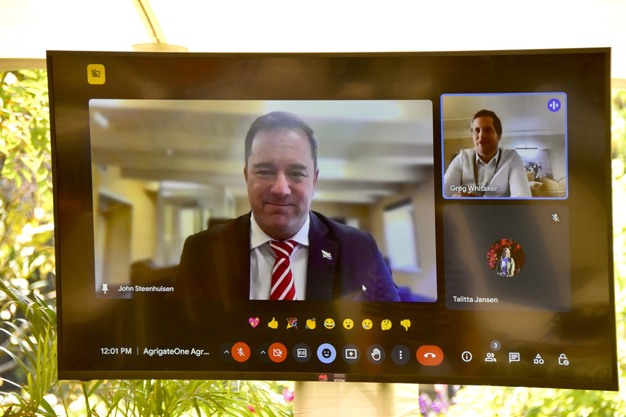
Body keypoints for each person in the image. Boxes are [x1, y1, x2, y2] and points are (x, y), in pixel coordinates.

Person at [177, 111, 400, 302]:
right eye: (265, 171)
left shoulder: (360, 249)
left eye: (296, 173)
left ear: (314, 180)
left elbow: (394, 327)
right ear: (246, 176)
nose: (280, 189)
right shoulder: (201, 251)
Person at [443, 109, 531, 198]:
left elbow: (523, 197)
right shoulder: (462, 157)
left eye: (487, 130)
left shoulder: (512, 157)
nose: (481, 135)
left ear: (499, 135)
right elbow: (441, 193)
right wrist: (457, 198)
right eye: (477, 130)